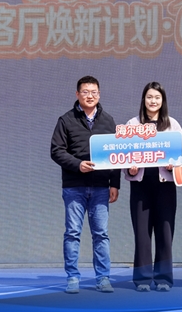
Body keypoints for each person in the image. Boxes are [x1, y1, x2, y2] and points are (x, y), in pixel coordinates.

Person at [50, 76, 120, 294]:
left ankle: (103, 278)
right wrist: (78, 164)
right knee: (72, 233)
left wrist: (115, 184)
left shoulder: (108, 120)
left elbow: (116, 154)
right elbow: (56, 151)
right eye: (85, 92)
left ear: (99, 94)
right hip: (74, 186)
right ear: (77, 94)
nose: (90, 96)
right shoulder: (66, 120)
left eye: (94, 92)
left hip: (101, 186)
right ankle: (72, 277)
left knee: (101, 234)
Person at [123, 82, 182, 292]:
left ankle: (163, 279)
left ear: (163, 100)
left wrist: (175, 163)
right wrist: (130, 169)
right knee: (142, 234)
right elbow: (123, 155)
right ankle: (142, 279)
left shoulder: (172, 125)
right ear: (143, 99)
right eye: (149, 97)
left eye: (157, 97)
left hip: (165, 186)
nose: (153, 101)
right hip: (141, 187)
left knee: (165, 233)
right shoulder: (133, 124)